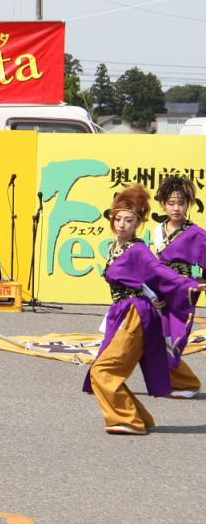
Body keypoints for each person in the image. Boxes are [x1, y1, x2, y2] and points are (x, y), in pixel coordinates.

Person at [83, 185, 206, 435]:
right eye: (118, 219)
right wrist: (152, 293)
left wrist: (191, 286)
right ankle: (136, 417)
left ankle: (128, 419)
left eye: (129, 220)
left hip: (134, 315)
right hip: (122, 312)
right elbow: (143, 279)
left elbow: (159, 272)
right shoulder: (115, 248)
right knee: (117, 366)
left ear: (138, 223)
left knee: (103, 370)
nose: (121, 225)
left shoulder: (138, 249)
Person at [149, 175, 206, 398]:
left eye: (181, 203)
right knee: (156, 334)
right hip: (158, 287)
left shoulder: (197, 234)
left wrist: (198, 283)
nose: (176, 208)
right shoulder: (157, 230)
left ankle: (187, 384)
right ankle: (172, 380)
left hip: (182, 290)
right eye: (171, 203)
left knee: (176, 335)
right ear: (163, 203)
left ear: (189, 204)